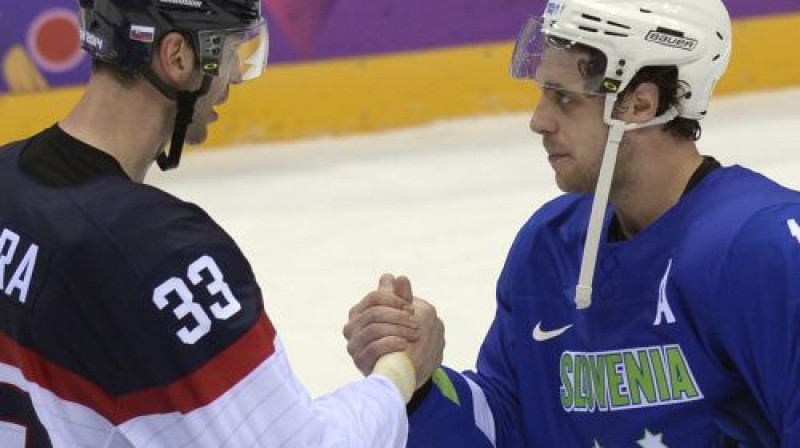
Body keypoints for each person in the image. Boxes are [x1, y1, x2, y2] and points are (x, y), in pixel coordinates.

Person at [343, 0, 800, 446]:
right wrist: (421, 383)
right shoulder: (550, 243)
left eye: (564, 98)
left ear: (639, 105)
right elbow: (509, 423)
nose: (539, 120)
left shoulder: (764, 249)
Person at [0, 0, 443, 446]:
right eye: (232, 50)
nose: (232, 78)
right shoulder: (160, 254)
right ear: (177, 57)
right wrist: (397, 373)